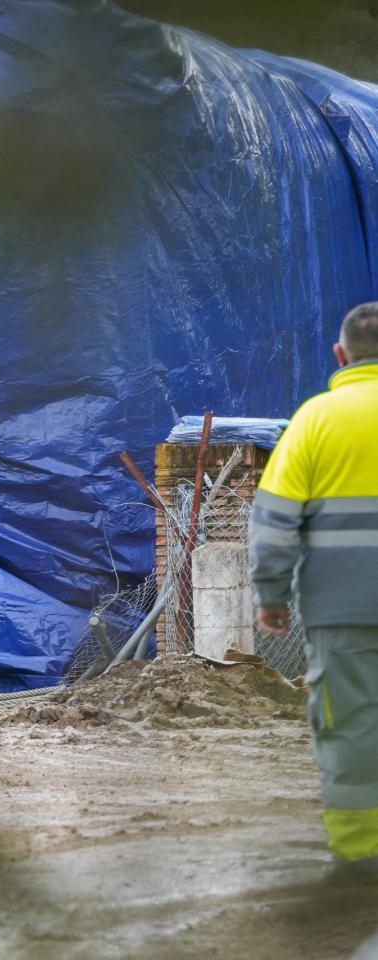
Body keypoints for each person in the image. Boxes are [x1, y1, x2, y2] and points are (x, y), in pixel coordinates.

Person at [250, 302, 378, 877]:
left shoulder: (315, 420)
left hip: (343, 610)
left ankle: (357, 856)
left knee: (350, 723)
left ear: (340, 354)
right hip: (341, 608)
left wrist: (271, 595)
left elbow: (274, 522)